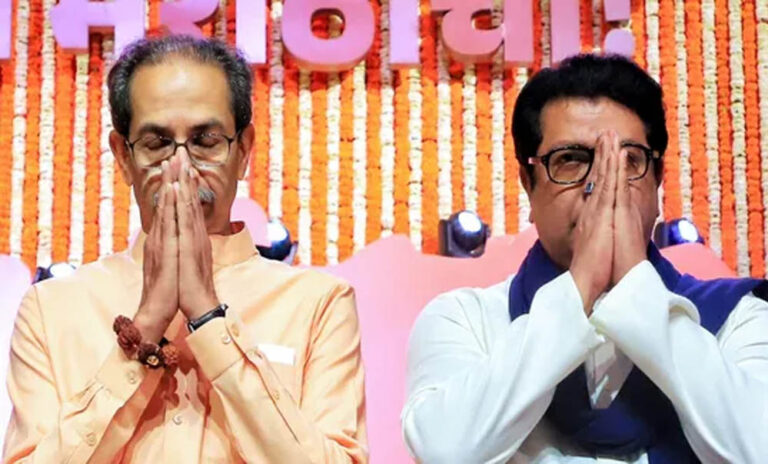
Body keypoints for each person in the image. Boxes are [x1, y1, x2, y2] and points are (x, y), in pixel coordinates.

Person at [3, 36, 367, 463]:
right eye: (156, 144)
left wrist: (209, 318)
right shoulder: (52, 309)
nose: (182, 167)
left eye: (205, 141)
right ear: (123, 156)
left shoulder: (318, 304)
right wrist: (146, 326)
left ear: (243, 150)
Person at [402, 54, 768, 463]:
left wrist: (635, 285)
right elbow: (444, 453)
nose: (598, 185)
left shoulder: (738, 316)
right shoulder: (465, 319)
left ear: (658, 180)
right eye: (571, 160)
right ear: (528, 185)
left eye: (627, 160)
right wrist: (579, 287)